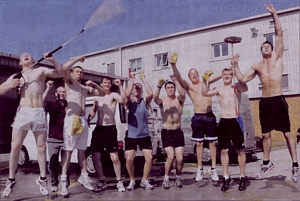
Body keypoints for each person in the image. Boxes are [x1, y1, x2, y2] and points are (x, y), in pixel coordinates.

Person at [233, 3, 299, 183]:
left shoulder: (277, 57)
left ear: (273, 49)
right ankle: (267, 162)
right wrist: (236, 65)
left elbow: (279, 33)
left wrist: (274, 14)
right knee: (265, 135)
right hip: (265, 102)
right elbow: (243, 80)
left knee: (286, 133)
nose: (266, 47)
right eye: (263, 46)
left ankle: (295, 165)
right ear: (261, 50)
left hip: (278, 99)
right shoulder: (257, 66)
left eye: (268, 45)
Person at [2, 52, 65, 197]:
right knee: (15, 146)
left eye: (28, 55)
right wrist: (11, 85)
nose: (26, 55)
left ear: (33, 60)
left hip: (38, 112)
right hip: (23, 112)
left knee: (41, 147)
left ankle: (42, 179)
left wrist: (53, 60)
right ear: (19, 62)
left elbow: (60, 73)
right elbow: (0, 90)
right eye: (23, 55)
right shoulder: (17, 76)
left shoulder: (40, 70)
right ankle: (11, 180)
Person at [171, 55, 222, 182]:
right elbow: (178, 77)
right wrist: (173, 65)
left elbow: (221, 75)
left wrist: (230, 66)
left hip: (209, 116)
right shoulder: (189, 87)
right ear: (189, 77)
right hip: (198, 116)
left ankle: (213, 169)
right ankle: (200, 169)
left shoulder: (206, 82)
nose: (194, 75)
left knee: (212, 143)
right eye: (191, 74)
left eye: (195, 73)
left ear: (198, 74)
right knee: (199, 143)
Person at [59, 56, 105, 197]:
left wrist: (95, 84)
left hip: (83, 120)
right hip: (72, 119)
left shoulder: (84, 88)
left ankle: (84, 176)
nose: (80, 74)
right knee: (68, 151)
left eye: (81, 72)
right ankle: (63, 182)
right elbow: (63, 68)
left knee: (82, 150)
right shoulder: (69, 82)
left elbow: (102, 93)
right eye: (77, 71)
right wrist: (77, 59)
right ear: (72, 73)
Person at [202, 68, 248, 191]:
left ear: (232, 75)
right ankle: (226, 177)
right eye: (224, 74)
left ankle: (242, 177)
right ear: (221, 76)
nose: (227, 76)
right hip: (224, 121)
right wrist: (206, 79)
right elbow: (205, 93)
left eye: (229, 74)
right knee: (223, 151)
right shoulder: (219, 89)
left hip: (235, 120)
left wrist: (237, 68)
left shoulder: (236, 87)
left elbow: (245, 88)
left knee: (240, 150)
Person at [87, 77, 127, 193]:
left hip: (110, 129)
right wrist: (88, 119)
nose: (107, 84)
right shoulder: (97, 97)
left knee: (114, 157)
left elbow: (123, 100)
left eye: (109, 83)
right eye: (105, 82)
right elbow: (94, 110)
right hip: (99, 129)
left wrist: (120, 86)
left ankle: (119, 181)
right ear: (101, 84)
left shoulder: (113, 95)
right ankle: (101, 181)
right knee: (95, 156)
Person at [153, 74, 186, 189]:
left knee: (180, 158)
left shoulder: (179, 100)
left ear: (174, 88)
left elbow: (183, 93)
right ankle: (166, 178)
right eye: (168, 88)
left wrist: (175, 80)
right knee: (171, 157)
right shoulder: (162, 100)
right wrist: (159, 85)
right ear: (166, 89)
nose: (171, 89)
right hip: (166, 131)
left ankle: (177, 177)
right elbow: (154, 98)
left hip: (178, 131)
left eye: (172, 88)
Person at [124, 72, 154, 190]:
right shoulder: (129, 102)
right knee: (129, 159)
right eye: (135, 88)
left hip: (144, 135)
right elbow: (126, 95)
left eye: (139, 88)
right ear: (132, 90)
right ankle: (132, 180)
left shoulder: (144, 101)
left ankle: (144, 180)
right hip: (131, 135)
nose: (137, 89)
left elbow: (151, 93)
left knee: (149, 158)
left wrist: (143, 80)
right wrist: (133, 80)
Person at [42, 80, 67, 192]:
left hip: (66, 139)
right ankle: (54, 183)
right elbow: (41, 101)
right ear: (56, 93)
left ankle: (65, 184)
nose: (62, 93)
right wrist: (48, 88)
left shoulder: (69, 105)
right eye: (60, 91)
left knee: (65, 164)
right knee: (52, 163)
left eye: (64, 92)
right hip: (53, 138)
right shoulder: (51, 104)